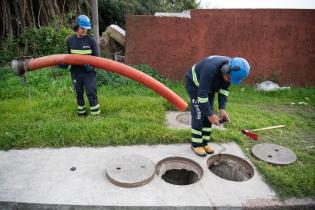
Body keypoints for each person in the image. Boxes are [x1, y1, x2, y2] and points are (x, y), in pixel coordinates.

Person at [185, 55, 250, 157]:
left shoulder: (230, 72)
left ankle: (204, 143)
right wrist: (210, 115)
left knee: (208, 111)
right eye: (229, 78)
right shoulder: (210, 69)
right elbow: (202, 95)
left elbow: (224, 91)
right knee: (199, 113)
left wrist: (222, 109)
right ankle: (196, 144)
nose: (229, 81)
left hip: (209, 87)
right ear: (225, 69)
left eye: (231, 80)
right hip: (194, 85)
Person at [59, 15, 100, 116]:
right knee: (78, 93)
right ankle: (81, 115)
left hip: (88, 73)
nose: (85, 31)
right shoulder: (71, 40)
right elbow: (69, 56)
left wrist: (92, 66)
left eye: (86, 28)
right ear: (77, 27)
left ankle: (96, 115)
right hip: (76, 72)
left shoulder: (91, 41)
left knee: (91, 93)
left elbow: (98, 59)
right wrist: (65, 64)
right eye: (82, 28)